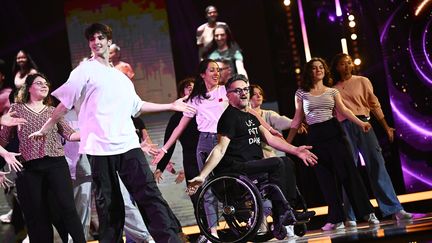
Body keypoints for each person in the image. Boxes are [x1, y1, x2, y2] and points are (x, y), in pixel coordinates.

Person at [30, 23, 193, 243]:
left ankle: (170, 240)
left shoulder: (121, 78)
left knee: (150, 196)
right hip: (99, 148)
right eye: (92, 39)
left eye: (100, 37)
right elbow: (63, 104)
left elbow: (137, 106)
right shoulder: (83, 71)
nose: (96, 42)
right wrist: (46, 127)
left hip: (128, 145)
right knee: (110, 206)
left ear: (109, 41)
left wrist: (170, 105)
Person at [186, 74, 317, 239]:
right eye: (238, 90)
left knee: (287, 161)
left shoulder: (250, 116)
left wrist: (296, 150)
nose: (243, 93)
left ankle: (285, 212)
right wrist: (202, 176)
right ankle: (283, 212)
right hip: (237, 168)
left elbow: (270, 139)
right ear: (228, 95)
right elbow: (219, 149)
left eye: (246, 90)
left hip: (253, 165)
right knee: (278, 162)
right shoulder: (229, 118)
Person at [286, 57, 380, 231]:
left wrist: (362, 123)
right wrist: (287, 144)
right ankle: (336, 218)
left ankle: (368, 213)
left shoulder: (332, 92)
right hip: (315, 136)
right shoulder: (301, 93)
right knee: (325, 179)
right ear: (309, 72)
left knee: (349, 174)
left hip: (333, 132)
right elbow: (297, 119)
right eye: (314, 68)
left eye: (321, 67)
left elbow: (344, 110)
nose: (318, 70)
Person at [0, 73, 85, 242]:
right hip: (30, 169)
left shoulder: (53, 111)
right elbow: (2, 139)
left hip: (56, 165)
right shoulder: (17, 110)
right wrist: (4, 154)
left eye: (46, 83)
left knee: (68, 209)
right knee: (38, 216)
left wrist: (93, 131)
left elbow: (70, 135)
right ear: (29, 88)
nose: (44, 86)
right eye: (39, 83)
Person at [330, 53, 412, 226]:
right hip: (344, 128)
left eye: (349, 63)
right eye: (342, 64)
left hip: (364, 125)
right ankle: (350, 216)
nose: (347, 66)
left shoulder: (362, 81)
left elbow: (374, 104)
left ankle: (394, 209)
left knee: (376, 165)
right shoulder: (333, 89)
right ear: (336, 67)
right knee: (349, 171)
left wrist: (386, 126)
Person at [151, 59, 228, 241]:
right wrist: (162, 157)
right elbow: (175, 133)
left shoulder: (220, 94)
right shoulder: (187, 109)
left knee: (226, 185)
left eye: (218, 70)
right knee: (202, 193)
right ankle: (209, 232)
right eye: (187, 88)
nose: (216, 73)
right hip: (197, 153)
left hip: (222, 144)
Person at [154, 78, 200, 212]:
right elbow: (169, 143)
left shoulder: (206, 111)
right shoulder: (177, 117)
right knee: (196, 196)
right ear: (181, 93)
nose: (191, 88)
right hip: (191, 159)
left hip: (210, 155)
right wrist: (160, 167)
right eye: (187, 87)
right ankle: (206, 230)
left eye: (194, 86)